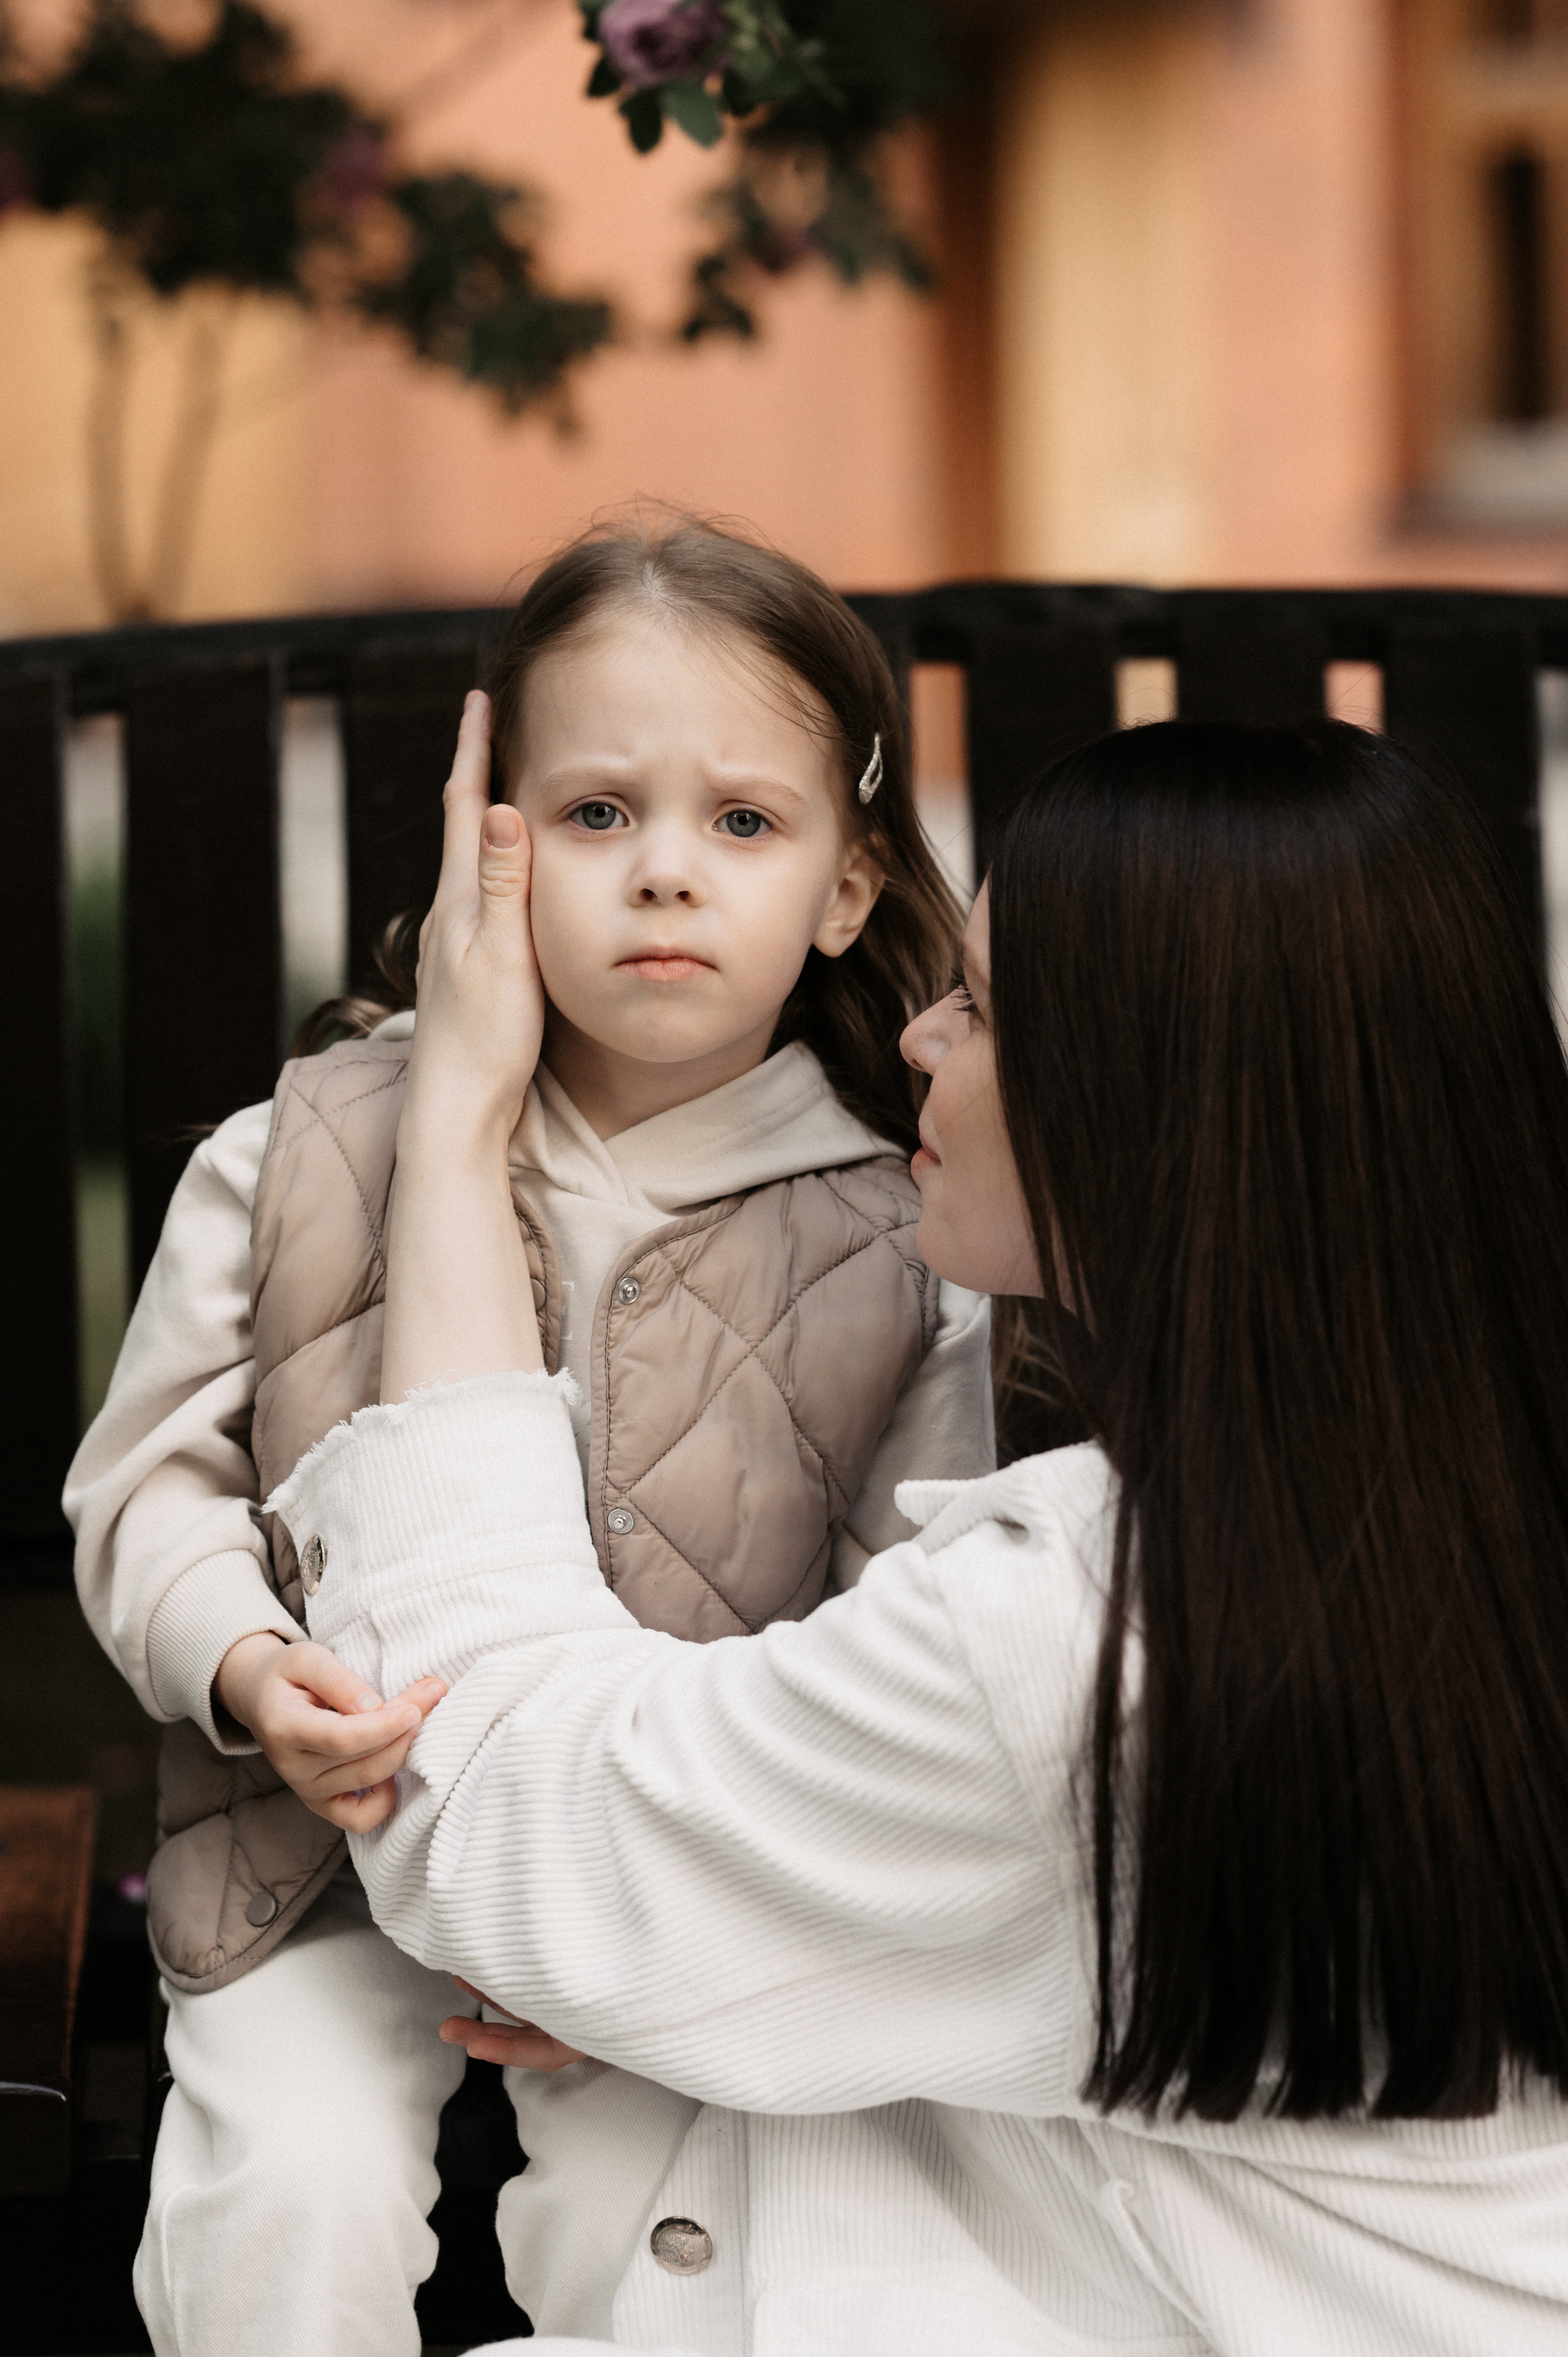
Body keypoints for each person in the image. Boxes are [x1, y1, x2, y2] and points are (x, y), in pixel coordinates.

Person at [277, 709, 1568, 2356]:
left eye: (980, 1003)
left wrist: (457, 1116)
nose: (921, 1040)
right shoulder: (1462, 1518)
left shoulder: (1091, 1639)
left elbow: (501, 1805)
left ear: (1149, 1089)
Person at [63, 519, 994, 2357]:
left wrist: (706, 1940)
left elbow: (906, 1614)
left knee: (688, 2232)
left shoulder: (905, 1237)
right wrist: (250, 1667)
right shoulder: (300, 1152)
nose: (663, 874)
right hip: (313, 1870)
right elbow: (150, 1485)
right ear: (491, 850)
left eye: (740, 821)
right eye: (593, 815)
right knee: (287, 2194)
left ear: (842, 882)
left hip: (670, 1893)